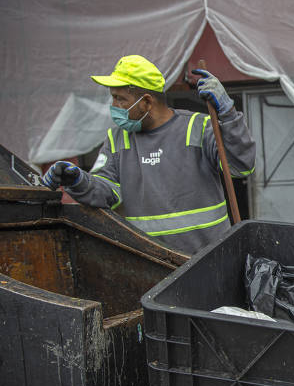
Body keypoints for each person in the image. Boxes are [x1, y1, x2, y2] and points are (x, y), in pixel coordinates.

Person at [42, 55, 257, 253]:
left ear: (146, 102)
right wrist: (79, 180)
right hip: (152, 262)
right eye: (113, 99)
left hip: (210, 258)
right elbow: (107, 192)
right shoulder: (118, 139)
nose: (114, 106)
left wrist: (228, 115)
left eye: (120, 99)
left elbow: (241, 166)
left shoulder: (197, 127)